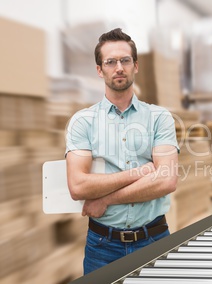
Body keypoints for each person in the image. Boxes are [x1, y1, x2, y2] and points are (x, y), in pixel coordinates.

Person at [65, 28, 179, 275]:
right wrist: (140, 172)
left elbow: (167, 180)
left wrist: (105, 198)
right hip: (102, 247)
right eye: (110, 61)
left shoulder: (159, 117)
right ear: (99, 69)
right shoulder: (83, 121)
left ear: (135, 66)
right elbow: (78, 187)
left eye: (125, 60)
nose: (119, 67)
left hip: (155, 239)